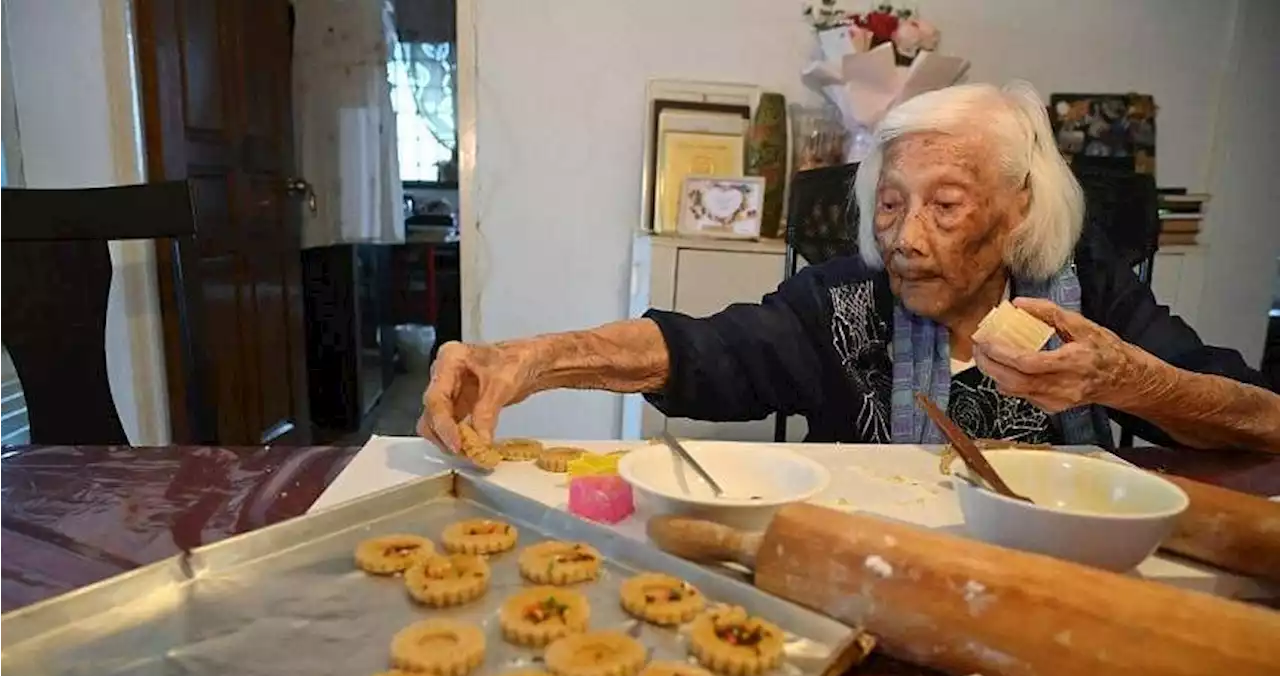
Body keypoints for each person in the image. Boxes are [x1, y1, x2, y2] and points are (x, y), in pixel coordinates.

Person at [420, 81, 1280, 455]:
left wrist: (1129, 380)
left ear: (1018, 208)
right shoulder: (845, 301)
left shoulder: (1087, 291)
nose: (905, 239)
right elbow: (702, 349)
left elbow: (1258, 418)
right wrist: (525, 361)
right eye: (890, 203)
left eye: (945, 206)